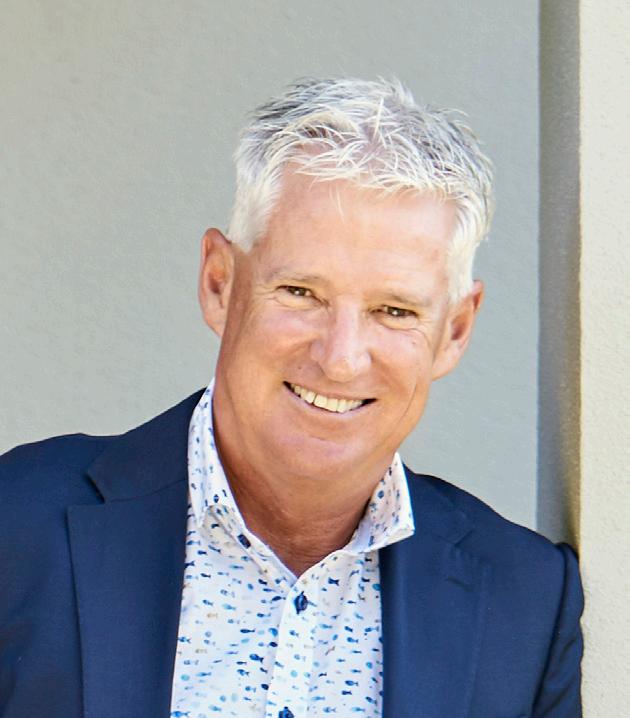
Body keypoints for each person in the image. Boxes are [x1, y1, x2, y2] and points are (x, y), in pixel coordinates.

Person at [0, 77, 583, 718]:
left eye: (394, 310)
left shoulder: (526, 605)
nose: (340, 357)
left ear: (455, 331)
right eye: (302, 293)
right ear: (220, 283)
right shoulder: (18, 523)